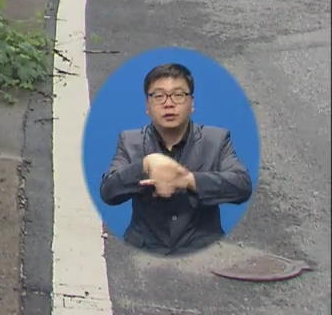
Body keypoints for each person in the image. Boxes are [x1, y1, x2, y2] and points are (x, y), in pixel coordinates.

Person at [99, 63, 253, 256]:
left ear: (192, 103)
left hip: (204, 251)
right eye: (159, 96)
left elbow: (242, 185)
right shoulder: (130, 141)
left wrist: (188, 180)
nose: (169, 103)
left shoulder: (217, 139)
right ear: (148, 106)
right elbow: (108, 191)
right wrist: (146, 165)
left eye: (178, 95)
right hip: (142, 253)